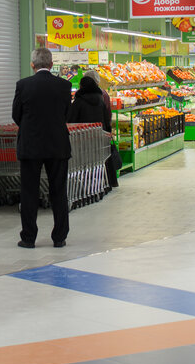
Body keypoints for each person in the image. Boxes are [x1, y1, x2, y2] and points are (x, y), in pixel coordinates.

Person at [12, 47, 72, 248]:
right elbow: (67, 113)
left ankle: (28, 238)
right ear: (51, 64)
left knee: (29, 192)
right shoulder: (64, 85)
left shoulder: (23, 85)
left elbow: (16, 114)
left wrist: (30, 127)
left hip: (30, 146)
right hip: (58, 145)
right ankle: (59, 237)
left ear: (32, 65)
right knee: (59, 191)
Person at [68, 70, 118, 189]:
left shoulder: (78, 101)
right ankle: (105, 182)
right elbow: (107, 117)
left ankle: (85, 183)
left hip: (82, 139)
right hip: (99, 137)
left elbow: (71, 119)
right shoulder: (101, 99)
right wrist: (108, 131)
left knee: (84, 161)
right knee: (99, 161)